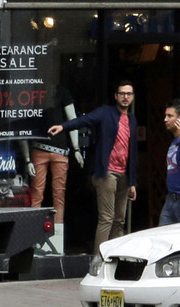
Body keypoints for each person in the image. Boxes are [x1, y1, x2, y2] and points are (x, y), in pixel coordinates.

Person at [49, 83, 137, 251]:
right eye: (122, 93)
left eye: (129, 94)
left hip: (124, 175)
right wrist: (63, 126)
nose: (125, 97)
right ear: (116, 96)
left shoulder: (132, 119)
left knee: (120, 220)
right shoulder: (106, 112)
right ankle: (99, 259)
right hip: (107, 173)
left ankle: (115, 256)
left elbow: (132, 152)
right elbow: (84, 120)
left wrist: (133, 182)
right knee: (107, 218)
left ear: (132, 97)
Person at [26, 129, 69, 248]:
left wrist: (76, 148)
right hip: (47, 148)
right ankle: (34, 237)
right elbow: (23, 128)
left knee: (55, 194)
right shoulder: (34, 109)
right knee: (40, 194)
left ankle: (57, 237)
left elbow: (72, 120)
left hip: (56, 149)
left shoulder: (35, 109)